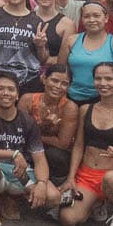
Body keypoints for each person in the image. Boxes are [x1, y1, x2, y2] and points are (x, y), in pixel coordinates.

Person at [56, 62, 113, 226]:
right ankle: (95, 204)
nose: (103, 83)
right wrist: (71, 178)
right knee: (68, 219)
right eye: (98, 79)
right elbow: (79, 145)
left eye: (109, 79)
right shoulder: (85, 109)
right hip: (87, 176)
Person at [0, 71, 53, 226]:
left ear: (17, 95)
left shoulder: (27, 121)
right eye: (0, 88)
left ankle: (11, 197)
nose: (6, 93)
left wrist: (42, 184)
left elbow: (40, 159)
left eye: (11, 89)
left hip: (19, 173)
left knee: (53, 197)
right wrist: (13, 154)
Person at [20, 63, 80, 191]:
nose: (58, 86)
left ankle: (57, 189)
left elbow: (63, 144)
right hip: (27, 148)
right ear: (44, 79)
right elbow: (19, 133)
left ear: (69, 87)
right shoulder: (27, 100)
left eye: (64, 83)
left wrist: (34, 134)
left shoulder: (70, 107)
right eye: (54, 80)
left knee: (56, 156)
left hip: (54, 155)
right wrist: (43, 125)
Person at [61, 1, 113, 104]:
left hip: (105, 100)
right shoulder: (71, 41)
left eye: (96, 16)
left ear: (106, 18)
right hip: (71, 98)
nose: (91, 20)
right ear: (82, 19)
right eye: (86, 16)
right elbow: (60, 71)